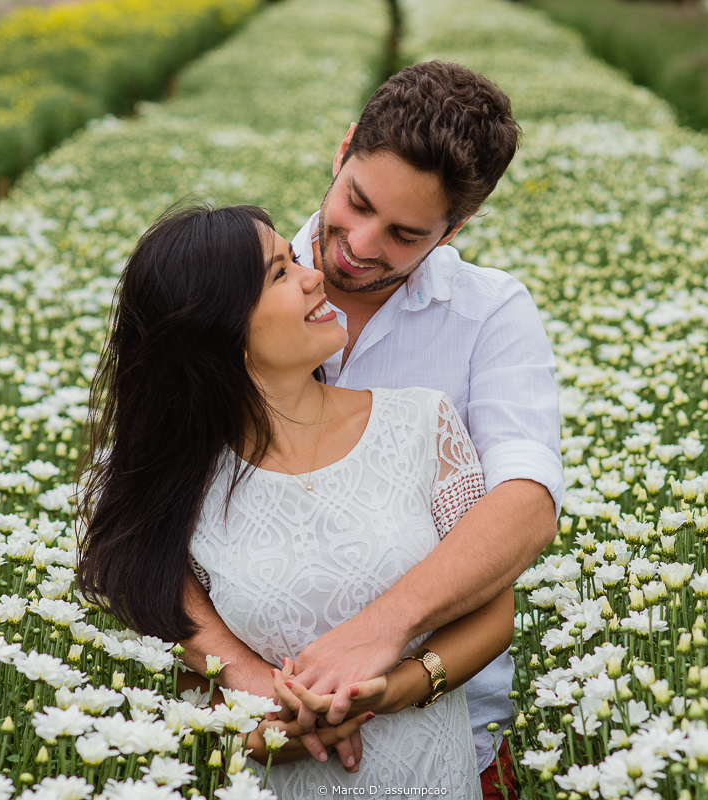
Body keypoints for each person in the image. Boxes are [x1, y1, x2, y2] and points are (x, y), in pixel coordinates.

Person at [175, 61, 563, 797]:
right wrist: (253, 680)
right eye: (356, 203)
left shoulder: (490, 317)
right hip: (255, 746)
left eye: (405, 234)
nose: (356, 245)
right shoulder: (230, 282)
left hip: (452, 736)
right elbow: (137, 518)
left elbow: (526, 505)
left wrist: (381, 646)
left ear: (457, 227)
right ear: (345, 146)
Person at [77, 203, 515, 797]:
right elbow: (190, 690)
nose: (313, 274)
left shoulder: (420, 422)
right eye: (280, 272)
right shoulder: (180, 495)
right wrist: (263, 740)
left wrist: (399, 689)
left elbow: (493, 613)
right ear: (221, 332)